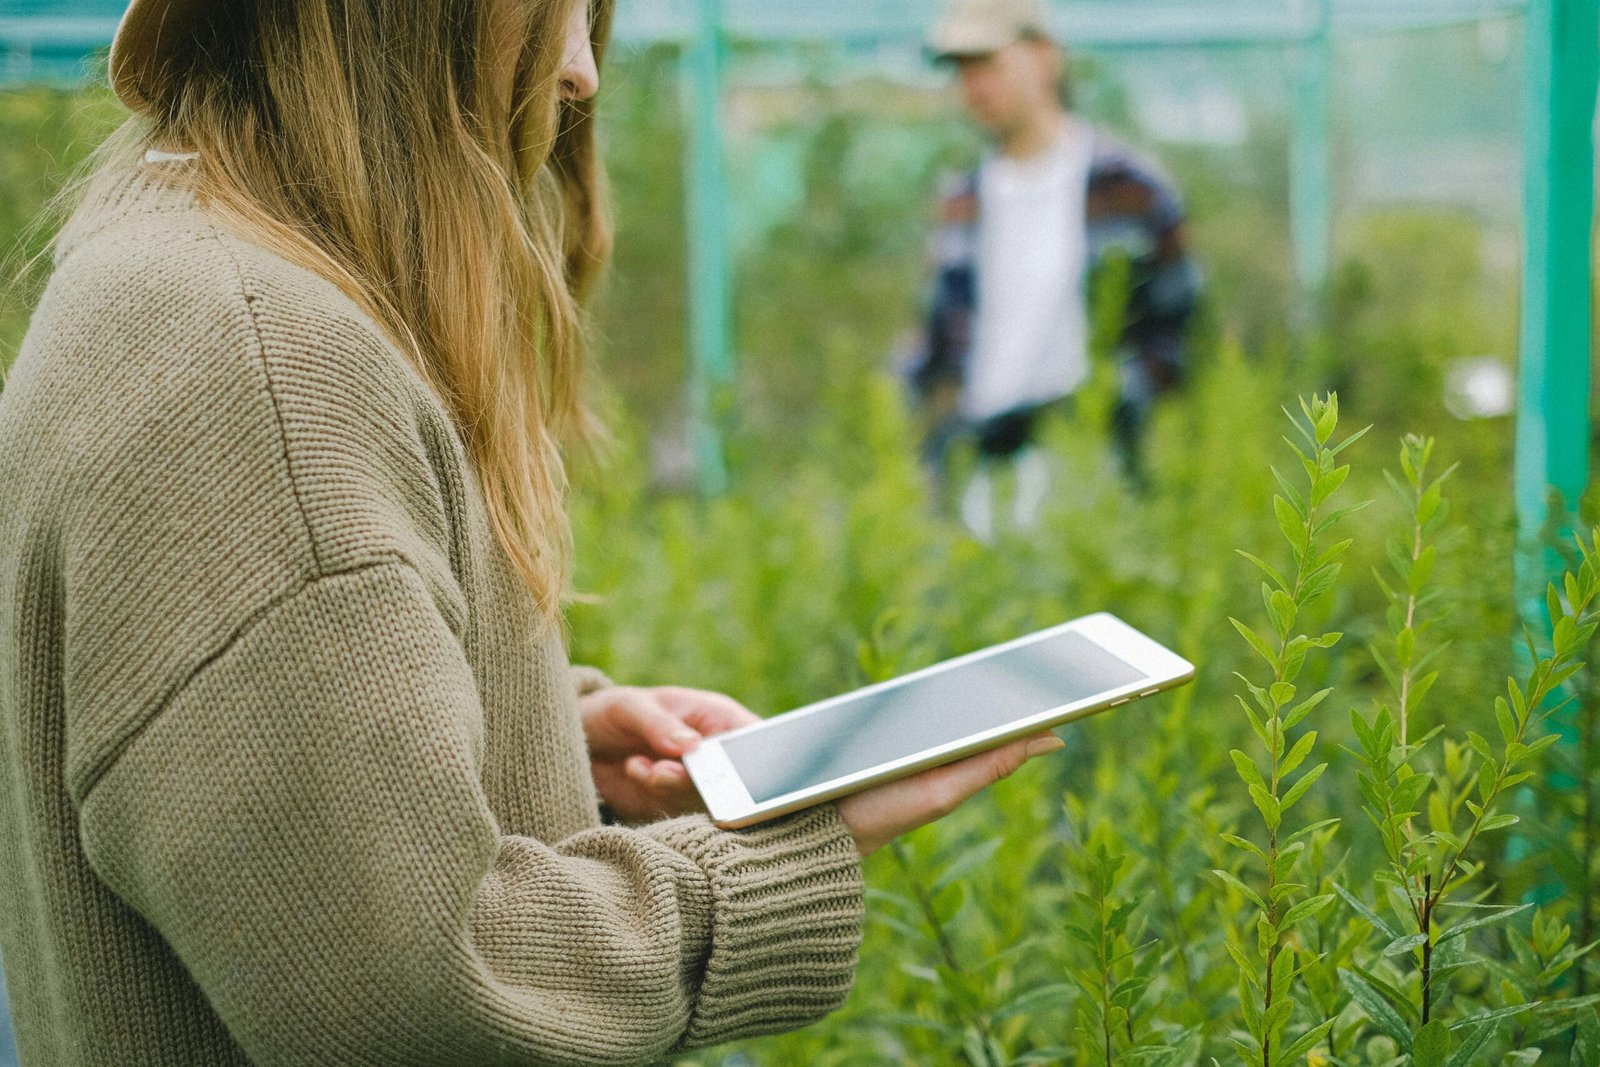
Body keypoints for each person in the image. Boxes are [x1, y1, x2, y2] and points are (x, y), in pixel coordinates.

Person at [0, 1, 1069, 1063]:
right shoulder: (254, 358)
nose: (580, 74)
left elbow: (235, 734)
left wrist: (559, 738)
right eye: (551, 12)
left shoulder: (174, 282)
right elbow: (416, 989)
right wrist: (777, 855)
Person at [908, 0, 1201, 537]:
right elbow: (936, 344)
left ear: (1044, 57)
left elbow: (1176, 339)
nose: (974, 86)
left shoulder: (1130, 192)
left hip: (1096, 472)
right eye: (961, 70)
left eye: (987, 63)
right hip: (981, 477)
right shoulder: (963, 202)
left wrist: (1090, 414)